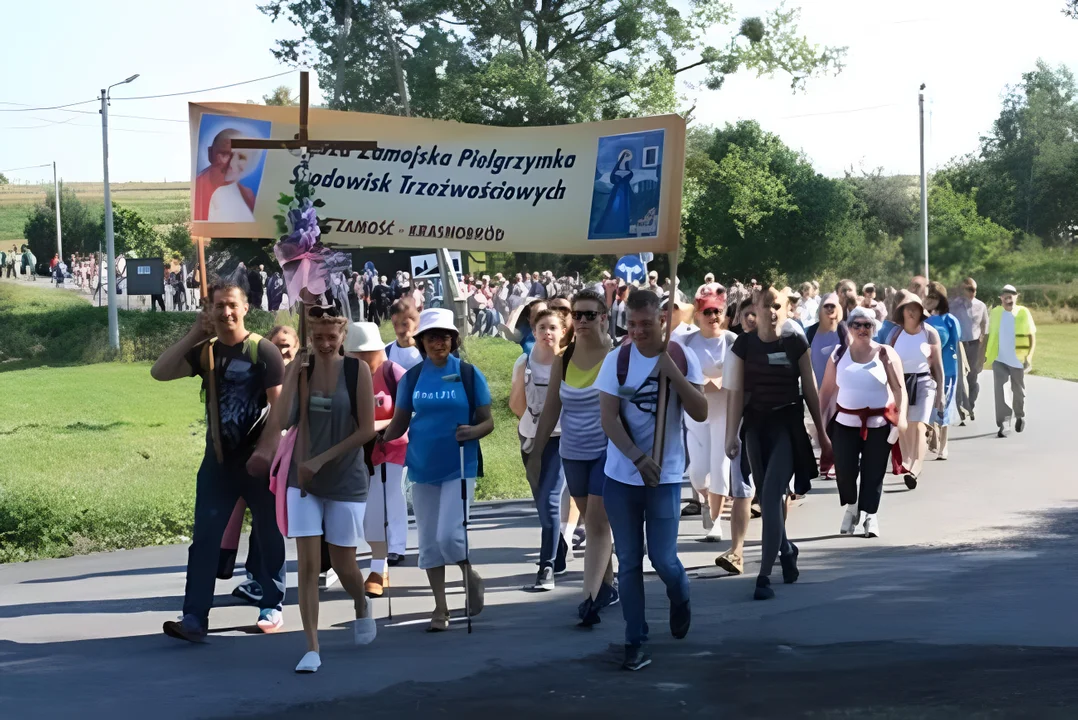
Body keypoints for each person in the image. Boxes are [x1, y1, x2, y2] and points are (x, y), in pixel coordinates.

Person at [151, 283, 287, 643]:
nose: (226, 312)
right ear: (210, 311)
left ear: (245, 308)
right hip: (218, 464)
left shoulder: (263, 351)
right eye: (219, 306)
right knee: (205, 541)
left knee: (269, 536)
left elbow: (281, 409)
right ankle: (194, 617)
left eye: (232, 305)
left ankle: (271, 605)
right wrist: (195, 332)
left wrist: (266, 452)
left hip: (259, 462)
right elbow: (159, 372)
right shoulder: (206, 352)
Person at [248, 307, 378, 673]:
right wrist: (292, 375)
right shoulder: (301, 371)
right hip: (302, 481)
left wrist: (321, 460)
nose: (324, 343)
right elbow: (281, 420)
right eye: (317, 337)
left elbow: (366, 430)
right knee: (307, 565)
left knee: (343, 562)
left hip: (345, 479)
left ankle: (361, 602)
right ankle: (312, 647)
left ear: (342, 336)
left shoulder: (356, 371)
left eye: (331, 337)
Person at [596, 290, 706, 670]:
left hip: (666, 476)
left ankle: (680, 593)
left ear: (663, 321)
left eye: (646, 323)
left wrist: (673, 374)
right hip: (622, 476)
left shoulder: (681, 356)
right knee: (628, 561)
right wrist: (638, 458)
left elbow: (701, 411)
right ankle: (635, 639)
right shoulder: (617, 360)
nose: (638, 331)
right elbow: (608, 418)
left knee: (662, 558)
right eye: (632, 324)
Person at [380, 308, 494, 631]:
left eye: (444, 337)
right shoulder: (413, 377)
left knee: (449, 535)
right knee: (429, 542)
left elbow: (487, 422)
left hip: (459, 464)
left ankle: (469, 575)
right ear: (421, 342)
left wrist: (472, 432)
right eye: (431, 337)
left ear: (453, 340)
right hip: (421, 465)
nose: (438, 342)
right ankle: (440, 608)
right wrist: (379, 440)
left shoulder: (468, 374)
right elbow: (400, 422)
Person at [725, 287, 828, 601]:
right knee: (766, 495)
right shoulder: (744, 344)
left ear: (786, 309)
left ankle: (764, 575)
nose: (771, 311)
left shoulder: (795, 342)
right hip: (755, 427)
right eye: (766, 305)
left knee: (771, 496)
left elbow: (810, 389)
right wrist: (731, 434)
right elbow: (736, 392)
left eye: (777, 306)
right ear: (755, 308)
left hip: (787, 425)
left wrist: (822, 434)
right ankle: (786, 549)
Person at [528, 290, 619, 623]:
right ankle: (607, 586)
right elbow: (552, 408)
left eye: (589, 315)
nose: (581, 320)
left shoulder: (615, 356)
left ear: (604, 318)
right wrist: (536, 453)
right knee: (593, 523)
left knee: (597, 522)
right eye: (576, 315)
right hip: (573, 452)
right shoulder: (563, 359)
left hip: (607, 451)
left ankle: (589, 598)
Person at [818, 307, 908, 538]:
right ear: (849, 328)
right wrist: (819, 423)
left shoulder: (886, 353)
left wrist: (900, 421)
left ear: (874, 328)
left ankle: (870, 514)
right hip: (844, 423)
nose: (861, 329)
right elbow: (826, 392)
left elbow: (900, 390)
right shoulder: (838, 354)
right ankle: (852, 506)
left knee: (874, 471)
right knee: (845, 470)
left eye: (867, 325)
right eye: (856, 325)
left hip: (878, 424)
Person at [345, 322, 409, 596]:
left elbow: (407, 412)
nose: (359, 358)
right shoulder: (350, 377)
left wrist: (378, 427)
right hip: (361, 453)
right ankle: (380, 555)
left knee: (390, 498)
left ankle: (391, 552)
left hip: (392, 448)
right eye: (354, 353)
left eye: (363, 353)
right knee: (371, 507)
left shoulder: (394, 373)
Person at [511, 309, 569, 590]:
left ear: (563, 332)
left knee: (550, 499)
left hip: (560, 437)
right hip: (530, 437)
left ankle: (546, 567)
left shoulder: (568, 362)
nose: (547, 332)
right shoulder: (524, 362)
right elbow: (515, 405)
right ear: (533, 332)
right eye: (542, 327)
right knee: (541, 501)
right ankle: (559, 550)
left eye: (553, 327)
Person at [682, 285, 743, 550]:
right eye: (707, 311)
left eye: (717, 311)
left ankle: (716, 521)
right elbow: (678, 373)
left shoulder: (732, 341)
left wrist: (721, 381)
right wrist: (698, 384)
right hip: (696, 413)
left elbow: (740, 375)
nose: (713, 316)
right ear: (697, 314)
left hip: (724, 412)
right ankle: (708, 500)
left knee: (720, 467)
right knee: (697, 474)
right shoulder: (686, 342)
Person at [886, 290, 945, 489]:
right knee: (904, 426)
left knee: (919, 425)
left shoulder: (929, 333)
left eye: (915, 309)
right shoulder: (895, 334)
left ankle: (916, 467)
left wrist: (941, 394)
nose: (911, 312)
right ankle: (908, 461)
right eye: (907, 309)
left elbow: (937, 366)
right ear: (901, 312)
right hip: (900, 384)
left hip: (924, 382)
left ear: (921, 312)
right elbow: (886, 363)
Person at [985, 284, 1036, 438]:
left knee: (1018, 391)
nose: (1009, 298)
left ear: (1016, 297)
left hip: (1018, 359)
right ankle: (1004, 423)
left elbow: (1031, 336)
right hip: (999, 358)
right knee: (1000, 391)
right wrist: (984, 354)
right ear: (1001, 298)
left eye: (1012, 295)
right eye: (1005, 296)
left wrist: (1029, 357)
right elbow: (989, 334)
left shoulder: (1023, 312)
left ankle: (1020, 415)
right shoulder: (996, 312)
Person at [924, 282, 961, 460]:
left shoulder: (950, 320)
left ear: (940, 299)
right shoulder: (923, 320)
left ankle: (944, 445)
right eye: (927, 296)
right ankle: (933, 437)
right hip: (926, 369)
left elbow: (955, 342)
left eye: (933, 297)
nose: (929, 300)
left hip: (947, 369)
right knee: (929, 406)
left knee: (943, 406)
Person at [951, 277, 989, 422]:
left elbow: (985, 325)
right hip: (958, 344)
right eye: (969, 289)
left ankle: (970, 406)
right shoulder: (953, 305)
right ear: (963, 289)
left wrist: (982, 346)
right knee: (959, 378)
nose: (973, 292)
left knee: (972, 377)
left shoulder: (981, 306)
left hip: (974, 344)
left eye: (975, 290)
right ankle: (960, 407)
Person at [807, 293, 847, 391]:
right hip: (816, 390)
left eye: (832, 306)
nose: (829, 309)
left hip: (839, 391)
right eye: (826, 306)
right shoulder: (811, 331)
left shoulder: (844, 330)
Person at [384, 298, 423, 371]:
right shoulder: (386, 352)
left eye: (404, 324)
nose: (400, 329)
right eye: (395, 324)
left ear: (415, 322)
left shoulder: (426, 351)